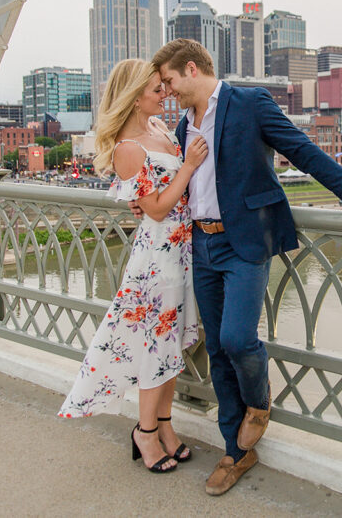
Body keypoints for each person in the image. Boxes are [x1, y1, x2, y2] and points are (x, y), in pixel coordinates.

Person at [145, 39, 342, 496]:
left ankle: (258, 403)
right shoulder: (182, 125)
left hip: (245, 242)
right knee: (217, 350)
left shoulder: (249, 102)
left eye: (171, 81)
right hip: (201, 245)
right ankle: (235, 452)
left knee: (238, 339)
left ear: (192, 69)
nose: (169, 90)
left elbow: (302, 150)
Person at [58, 58, 210, 475]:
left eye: (164, 87)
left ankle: (164, 425)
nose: (164, 94)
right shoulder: (129, 148)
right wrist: (190, 166)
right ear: (134, 95)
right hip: (157, 259)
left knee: (172, 343)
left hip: (182, 253)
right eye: (156, 89)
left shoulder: (160, 130)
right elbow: (157, 209)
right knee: (154, 346)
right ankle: (144, 432)